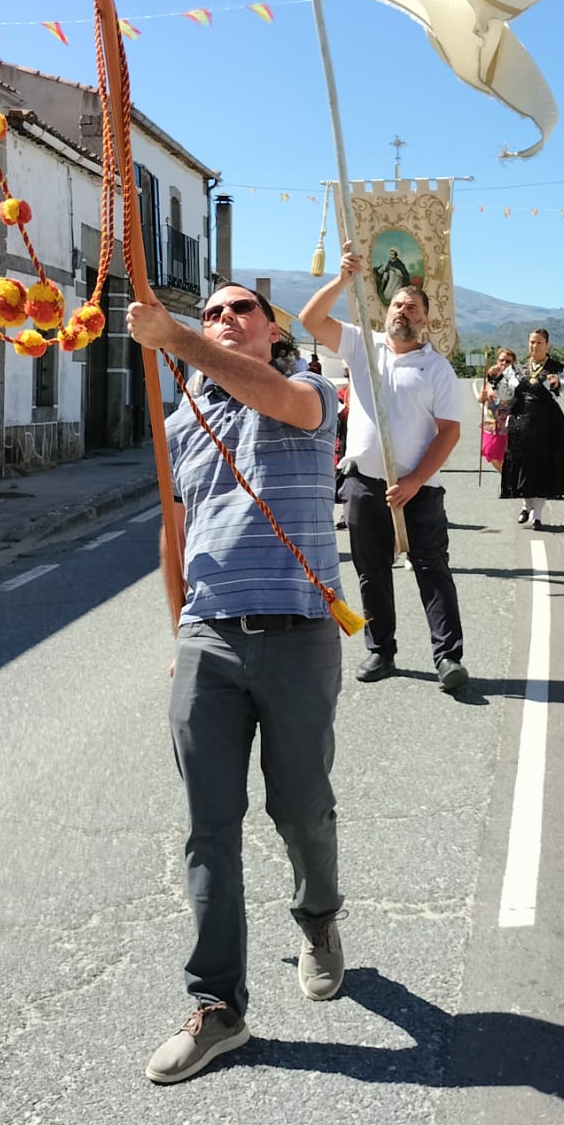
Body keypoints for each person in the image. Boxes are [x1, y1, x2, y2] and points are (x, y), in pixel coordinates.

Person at [124, 285, 347, 1085]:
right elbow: (174, 530)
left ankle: (318, 919)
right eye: (212, 311)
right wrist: (179, 632)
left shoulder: (307, 394)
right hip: (210, 639)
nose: (224, 318)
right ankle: (218, 1005)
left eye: (242, 308)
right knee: (207, 827)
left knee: (301, 808)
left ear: (273, 329)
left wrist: (178, 339)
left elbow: (275, 400)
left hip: (298, 635)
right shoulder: (181, 425)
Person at [301, 243, 468, 692]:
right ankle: (381, 648)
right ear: (386, 310)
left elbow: (449, 432)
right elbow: (310, 321)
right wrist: (340, 279)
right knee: (370, 571)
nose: (403, 311)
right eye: (397, 304)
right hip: (364, 485)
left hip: (420, 491)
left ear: (425, 320)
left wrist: (414, 482)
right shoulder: (362, 345)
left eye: (412, 307)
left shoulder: (436, 369)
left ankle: (448, 657)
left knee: (432, 570)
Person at [496, 328, 564, 526]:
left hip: (547, 421)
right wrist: (495, 379)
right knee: (523, 463)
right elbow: (504, 394)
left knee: (542, 466)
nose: (534, 346)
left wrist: (559, 384)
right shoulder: (518, 368)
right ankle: (527, 504)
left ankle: (538, 516)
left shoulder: (557, 368)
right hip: (521, 420)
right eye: (532, 342)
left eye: (539, 342)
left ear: (547, 345)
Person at [474, 348, 518, 471]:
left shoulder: (515, 381)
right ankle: (508, 479)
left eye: (507, 361)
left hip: (508, 425)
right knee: (491, 453)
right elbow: (481, 399)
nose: (503, 363)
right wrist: (482, 397)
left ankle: (509, 481)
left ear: (513, 363)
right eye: (501, 360)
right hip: (492, 424)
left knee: (505, 455)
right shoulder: (489, 379)